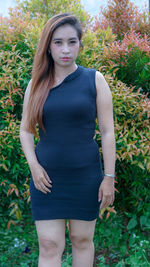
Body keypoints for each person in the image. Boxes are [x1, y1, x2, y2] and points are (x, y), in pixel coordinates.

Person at [19, 12, 116, 267]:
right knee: (50, 245)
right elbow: (26, 131)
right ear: (48, 46)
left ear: (80, 44)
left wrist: (109, 178)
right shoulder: (36, 85)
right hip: (46, 179)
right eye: (58, 42)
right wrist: (34, 166)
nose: (65, 49)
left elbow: (108, 132)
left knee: (82, 240)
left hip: (86, 177)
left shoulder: (94, 80)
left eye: (72, 42)